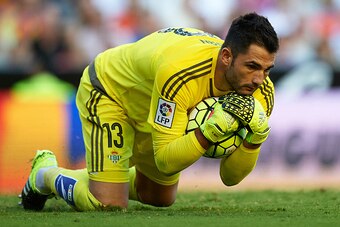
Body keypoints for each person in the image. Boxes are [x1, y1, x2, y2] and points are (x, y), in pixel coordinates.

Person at [20, 12, 279, 211]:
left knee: (159, 197)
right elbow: (166, 161)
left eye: (266, 69)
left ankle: (111, 177)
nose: (259, 79)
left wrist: (255, 140)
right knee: (108, 204)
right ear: (226, 57)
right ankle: (44, 174)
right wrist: (206, 133)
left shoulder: (262, 93)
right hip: (112, 92)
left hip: (154, 104)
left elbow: (230, 178)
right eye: (252, 66)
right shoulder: (182, 74)